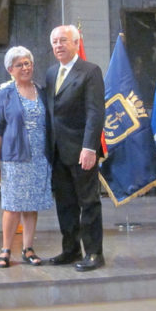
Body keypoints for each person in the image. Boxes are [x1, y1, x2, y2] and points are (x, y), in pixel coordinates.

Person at [45, 24, 106, 272]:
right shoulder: (50, 73)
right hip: (57, 151)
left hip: (83, 151)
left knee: (88, 202)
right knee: (65, 204)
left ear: (76, 42)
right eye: (55, 42)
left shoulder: (90, 71)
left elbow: (95, 112)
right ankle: (70, 250)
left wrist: (90, 147)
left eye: (63, 41)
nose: (58, 46)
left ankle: (94, 253)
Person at [0, 46, 53, 268]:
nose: (25, 68)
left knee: (31, 203)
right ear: (10, 70)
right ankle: (6, 249)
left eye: (28, 63)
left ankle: (28, 248)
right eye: (20, 65)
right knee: (13, 204)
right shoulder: (5, 94)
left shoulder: (42, 91)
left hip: (39, 156)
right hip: (14, 156)